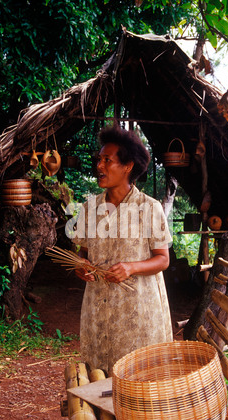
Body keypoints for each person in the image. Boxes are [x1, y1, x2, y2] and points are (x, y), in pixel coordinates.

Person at [72, 125, 173, 375]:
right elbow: (82, 252)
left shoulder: (149, 208)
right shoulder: (89, 209)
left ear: (127, 166)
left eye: (108, 160)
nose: (100, 166)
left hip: (137, 314)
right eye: (99, 159)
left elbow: (163, 260)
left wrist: (131, 267)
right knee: (99, 376)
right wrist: (79, 264)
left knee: (139, 379)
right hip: (98, 310)